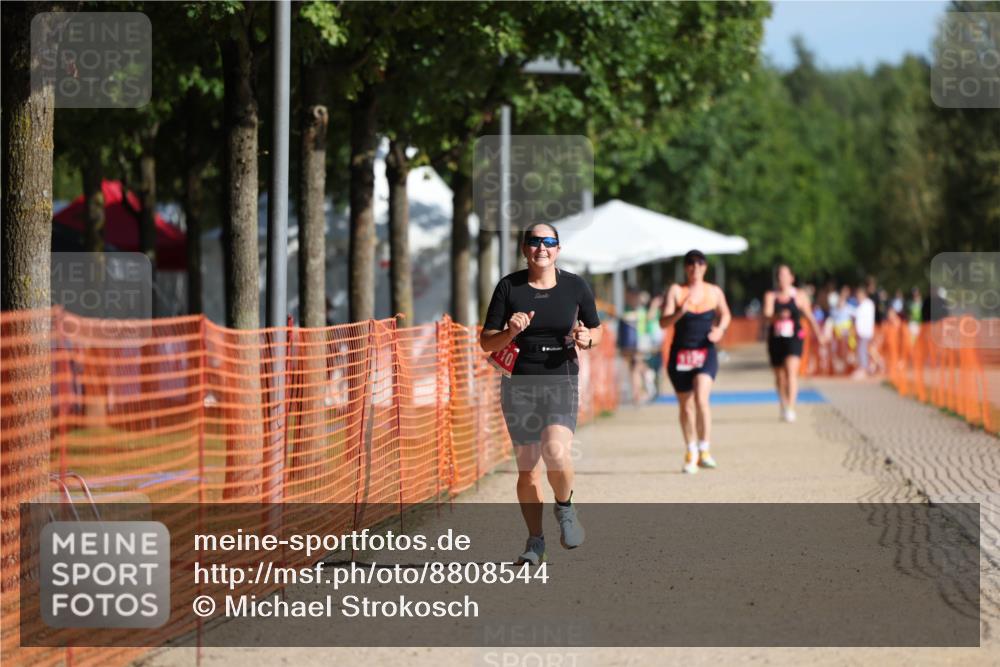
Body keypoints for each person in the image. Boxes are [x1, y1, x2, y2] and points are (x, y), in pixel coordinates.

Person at [480, 222, 602, 566]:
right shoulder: (509, 287)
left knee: (556, 451)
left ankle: (565, 508)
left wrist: (587, 339)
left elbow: (597, 329)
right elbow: (486, 341)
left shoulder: (575, 286)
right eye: (534, 242)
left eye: (549, 242)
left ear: (558, 249)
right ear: (525, 249)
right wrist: (510, 331)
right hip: (519, 384)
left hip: (560, 378)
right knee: (528, 470)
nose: (541, 248)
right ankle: (535, 542)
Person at [659, 249, 731, 474]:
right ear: (685, 268)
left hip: (705, 352)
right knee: (686, 406)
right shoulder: (676, 291)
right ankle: (691, 450)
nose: (695, 268)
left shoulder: (714, 292)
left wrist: (719, 329)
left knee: (701, 398)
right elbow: (663, 322)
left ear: (705, 267)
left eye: (699, 263)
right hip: (680, 356)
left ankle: (705, 449)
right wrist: (681, 310)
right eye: (690, 264)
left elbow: (726, 314)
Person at [763, 264, 825, 423]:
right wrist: (778, 316)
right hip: (776, 338)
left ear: (791, 278)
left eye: (785, 275)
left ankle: (790, 407)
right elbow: (766, 315)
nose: (782, 278)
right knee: (780, 376)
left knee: (791, 372)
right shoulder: (771, 295)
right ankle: (783, 404)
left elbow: (809, 316)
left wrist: (819, 334)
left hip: (794, 338)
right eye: (779, 275)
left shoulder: (799, 295)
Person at [618, 287, 647, 406]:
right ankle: (637, 393)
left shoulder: (638, 311)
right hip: (633, 344)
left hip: (638, 343)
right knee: (633, 369)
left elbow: (629, 318)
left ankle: (640, 391)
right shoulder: (632, 310)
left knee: (636, 368)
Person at [852, 285, 876, 379]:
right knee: (864, 350)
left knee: (863, 350)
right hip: (862, 332)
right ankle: (868, 366)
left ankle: (864, 368)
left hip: (865, 331)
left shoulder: (867, 304)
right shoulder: (863, 304)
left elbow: (860, 316)